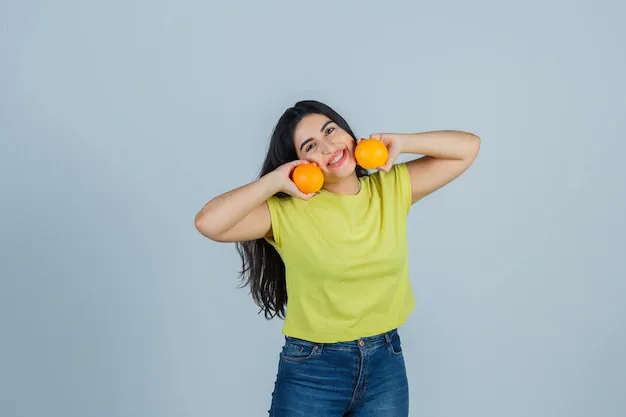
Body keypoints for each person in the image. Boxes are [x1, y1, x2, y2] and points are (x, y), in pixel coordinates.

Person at [194, 100, 480, 416]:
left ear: (348, 133)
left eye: (330, 130)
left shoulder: (391, 188)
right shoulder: (286, 214)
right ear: (299, 164)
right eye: (310, 146)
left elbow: (468, 147)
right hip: (313, 371)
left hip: (385, 363)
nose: (328, 146)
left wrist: (404, 141)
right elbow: (208, 222)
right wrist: (274, 181)